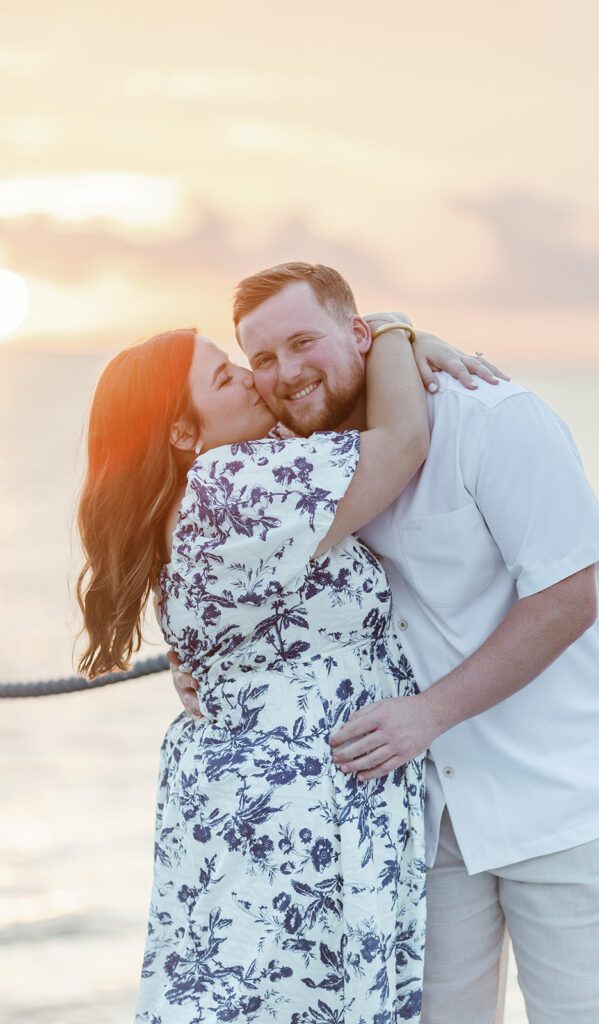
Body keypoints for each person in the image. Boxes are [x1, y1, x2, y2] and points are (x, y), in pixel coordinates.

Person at [175, 262, 599, 1024]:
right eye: (261, 360)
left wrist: (427, 714)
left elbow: (567, 603)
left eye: (304, 341)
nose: (285, 374)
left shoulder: (493, 419)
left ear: (358, 333)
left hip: (569, 798)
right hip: (425, 822)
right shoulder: (303, 464)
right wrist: (200, 658)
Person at [76, 320, 438, 1023]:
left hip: (247, 800)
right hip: (295, 809)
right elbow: (400, 445)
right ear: (182, 433)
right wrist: (390, 332)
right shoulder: (229, 482)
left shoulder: (203, 484)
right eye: (224, 379)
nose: (251, 377)